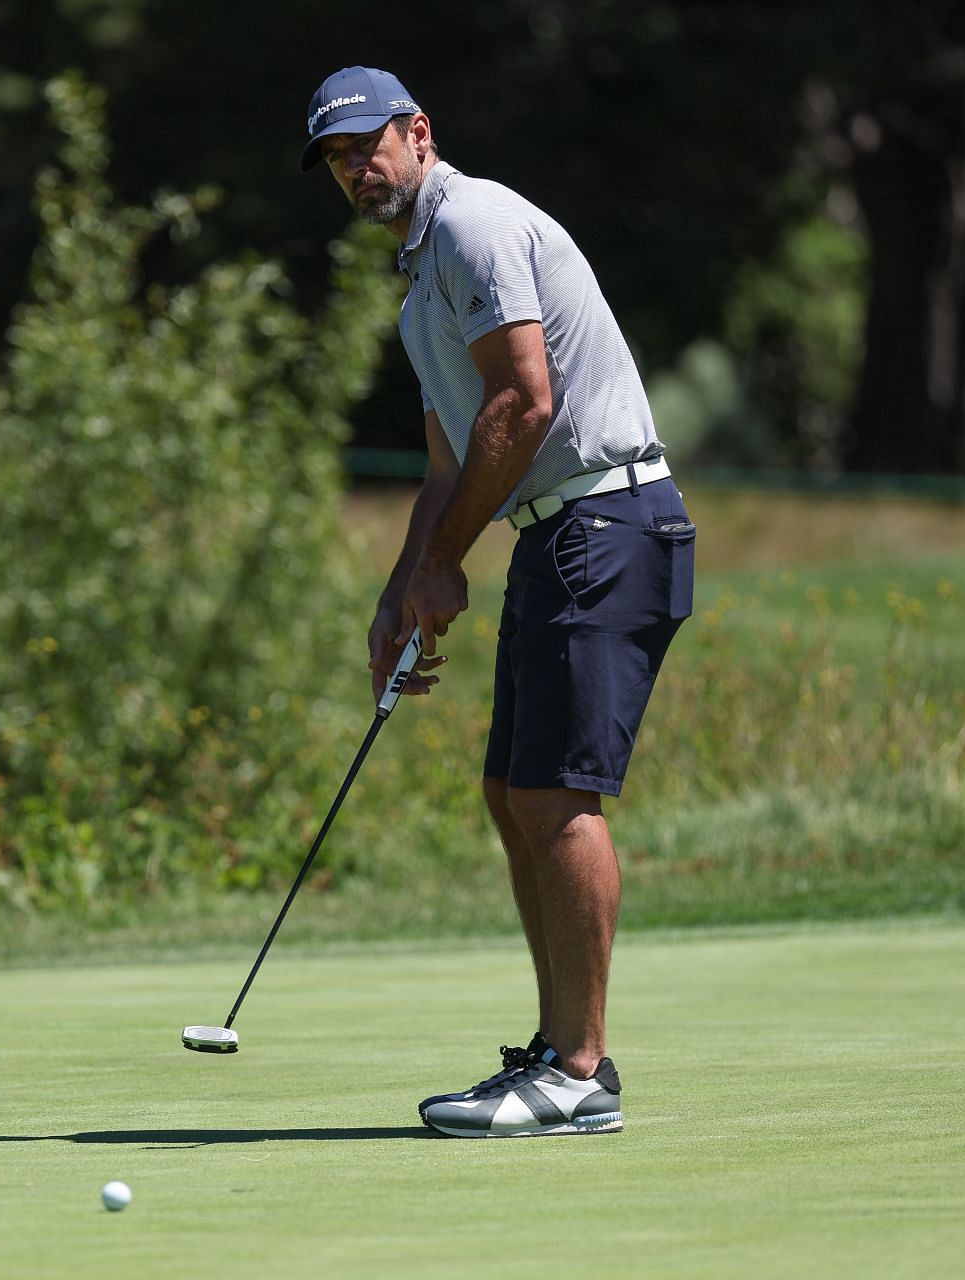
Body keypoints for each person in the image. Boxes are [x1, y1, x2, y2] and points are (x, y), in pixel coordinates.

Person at [301, 67, 696, 1137]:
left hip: (609, 520)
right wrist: (401, 590)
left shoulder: (473, 223)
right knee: (508, 789)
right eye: (335, 156)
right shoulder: (420, 281)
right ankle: (556, 1049)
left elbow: (525, 400)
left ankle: (581, 1068)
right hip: (559, 534)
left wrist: (446, 562)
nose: (353, 166)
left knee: (557, 796)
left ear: (418, 131)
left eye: (366, 143)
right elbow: (445, 468)